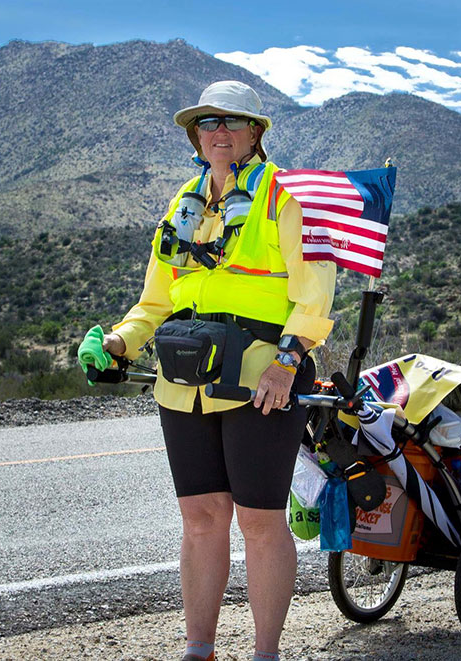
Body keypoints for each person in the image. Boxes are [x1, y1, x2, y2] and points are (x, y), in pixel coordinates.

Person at [84, 81, 336, 661]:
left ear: (255, 132)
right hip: (186, 378)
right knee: (200, 517)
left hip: (263, 373)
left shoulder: (283, 196)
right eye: (207, 123)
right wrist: (118, 343)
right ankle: (200, 648)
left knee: (259, 518)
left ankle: (265, 652)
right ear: (195, 136)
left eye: (232, 121)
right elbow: (155, 301)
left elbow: (315, 293)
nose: (219, 132)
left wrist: (288, 360)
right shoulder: (183, 204)